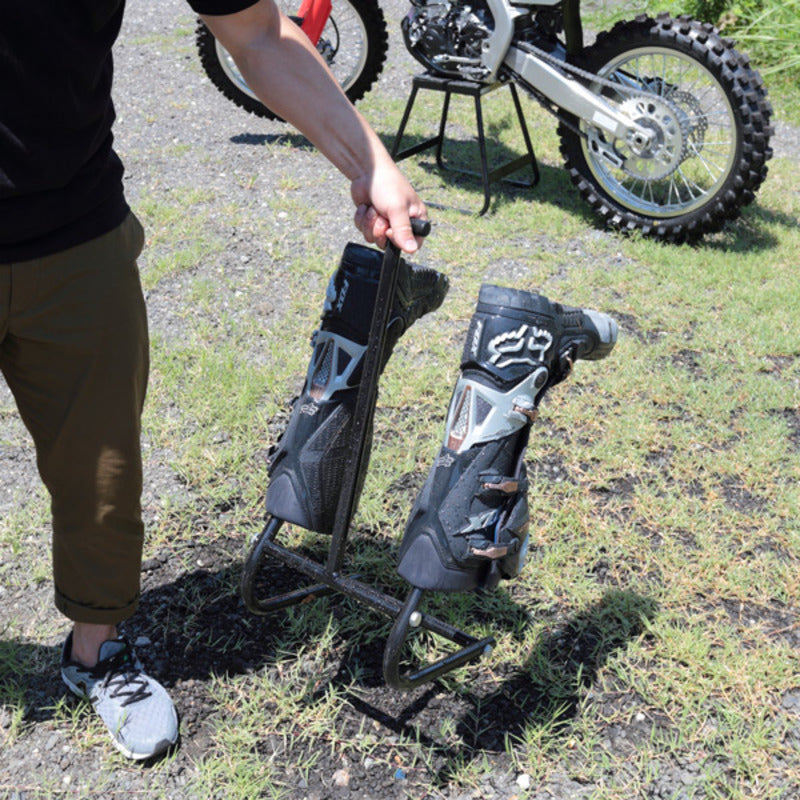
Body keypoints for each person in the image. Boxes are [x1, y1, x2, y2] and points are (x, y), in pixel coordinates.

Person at [0, 0, 428, 760]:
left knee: (102, 473)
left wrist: (371, 163)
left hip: (72, 236)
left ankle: (95, 653)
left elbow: (257, 33)